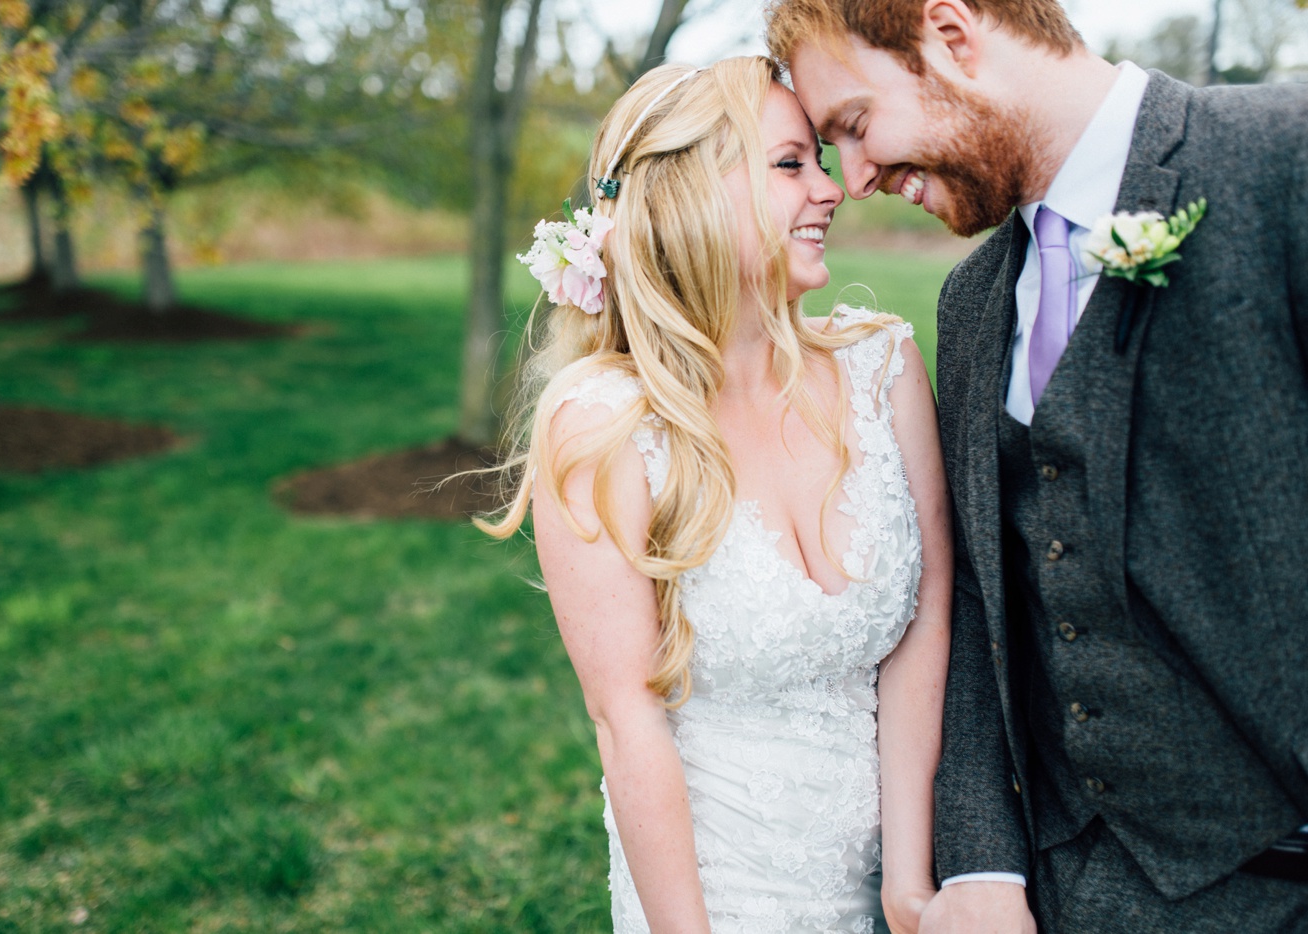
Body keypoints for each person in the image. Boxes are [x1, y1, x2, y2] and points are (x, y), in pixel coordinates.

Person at [765, 1, 1308, 931]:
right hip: (1077, 892)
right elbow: (981, 592)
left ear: (952, 36)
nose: (853, 179)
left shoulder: (1279, 161)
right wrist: (982, 859)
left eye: (855, 125)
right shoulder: (973, 301)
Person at [479, 55, 951, 933]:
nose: (833, 189)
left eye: (819, 159)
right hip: (717, 893)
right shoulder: (603, 426)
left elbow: (929, 618)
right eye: (790, 164)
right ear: (692, 191)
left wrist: (911, 881)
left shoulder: (885, 366)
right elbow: (628, 723)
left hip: (898, 873)